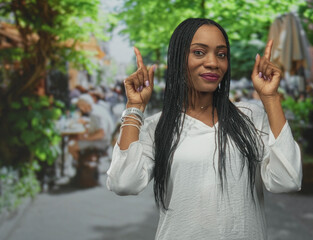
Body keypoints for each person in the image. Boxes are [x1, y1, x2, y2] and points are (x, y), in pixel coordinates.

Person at [106, 18, 302, 240]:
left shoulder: (250, 116)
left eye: (221, 54)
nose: (213, 63)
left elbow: (288, 180)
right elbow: (123, 183)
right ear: (179, 58)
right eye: (199, 52)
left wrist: (271, 98)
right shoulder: (156, 127)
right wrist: (135, 107)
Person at [68, 94, 114, 161]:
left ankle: (80, 166)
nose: (79, 108)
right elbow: (98, 124)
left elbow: (101, 134)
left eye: (79, 105)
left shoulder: (94, 114)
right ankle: (81, 162)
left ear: (84, 106)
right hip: (106, 139)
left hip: (102, 142)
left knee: (71, 146)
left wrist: (86, 138)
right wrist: (87, 122)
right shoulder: (97, 108)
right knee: (76, 138)